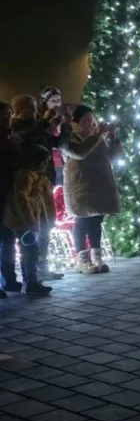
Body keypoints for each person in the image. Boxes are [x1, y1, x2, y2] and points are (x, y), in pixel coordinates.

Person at [61, 105, 122, 274]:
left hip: (99, 184)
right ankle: (82, 258)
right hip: (80, 185)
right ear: (77, 122)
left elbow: (113, 157)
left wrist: (113, 138)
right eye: (86, 120)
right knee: (82, 221)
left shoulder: (98, 137)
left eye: (92, 119)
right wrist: (97, 136)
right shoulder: (71, 138)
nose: (91, 123)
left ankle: (97, 256)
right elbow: (80, 153)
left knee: (96, 221)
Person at [11, 94, 65, 281]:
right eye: (28, 108)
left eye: (34, 107)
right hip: (28, 181)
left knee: (48, 223)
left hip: (45, 179)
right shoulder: (16, 126)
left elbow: (54, 145)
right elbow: (25, 139)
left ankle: (42, 263)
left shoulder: (39, 125)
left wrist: (60, 125)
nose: (33, 111)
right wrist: (43, 123)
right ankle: (31, 269)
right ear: (18, 109)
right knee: (32, 224)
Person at [2, 145, 54, 296]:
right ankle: (31, 282)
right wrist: (30, 221)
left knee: (29, 250)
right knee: (31, 250)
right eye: (44, 162)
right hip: (22, 221)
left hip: (26, 220)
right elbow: (21, 198)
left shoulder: (35, 176)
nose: (45, 165)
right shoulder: (25, 175)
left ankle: (31, 280)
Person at [0, 101, 20, 296]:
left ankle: (9, 278)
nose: (7, 118)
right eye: (3, 115)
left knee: (8, 237)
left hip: (9, 191)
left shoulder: (12, 137)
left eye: (9, 114)